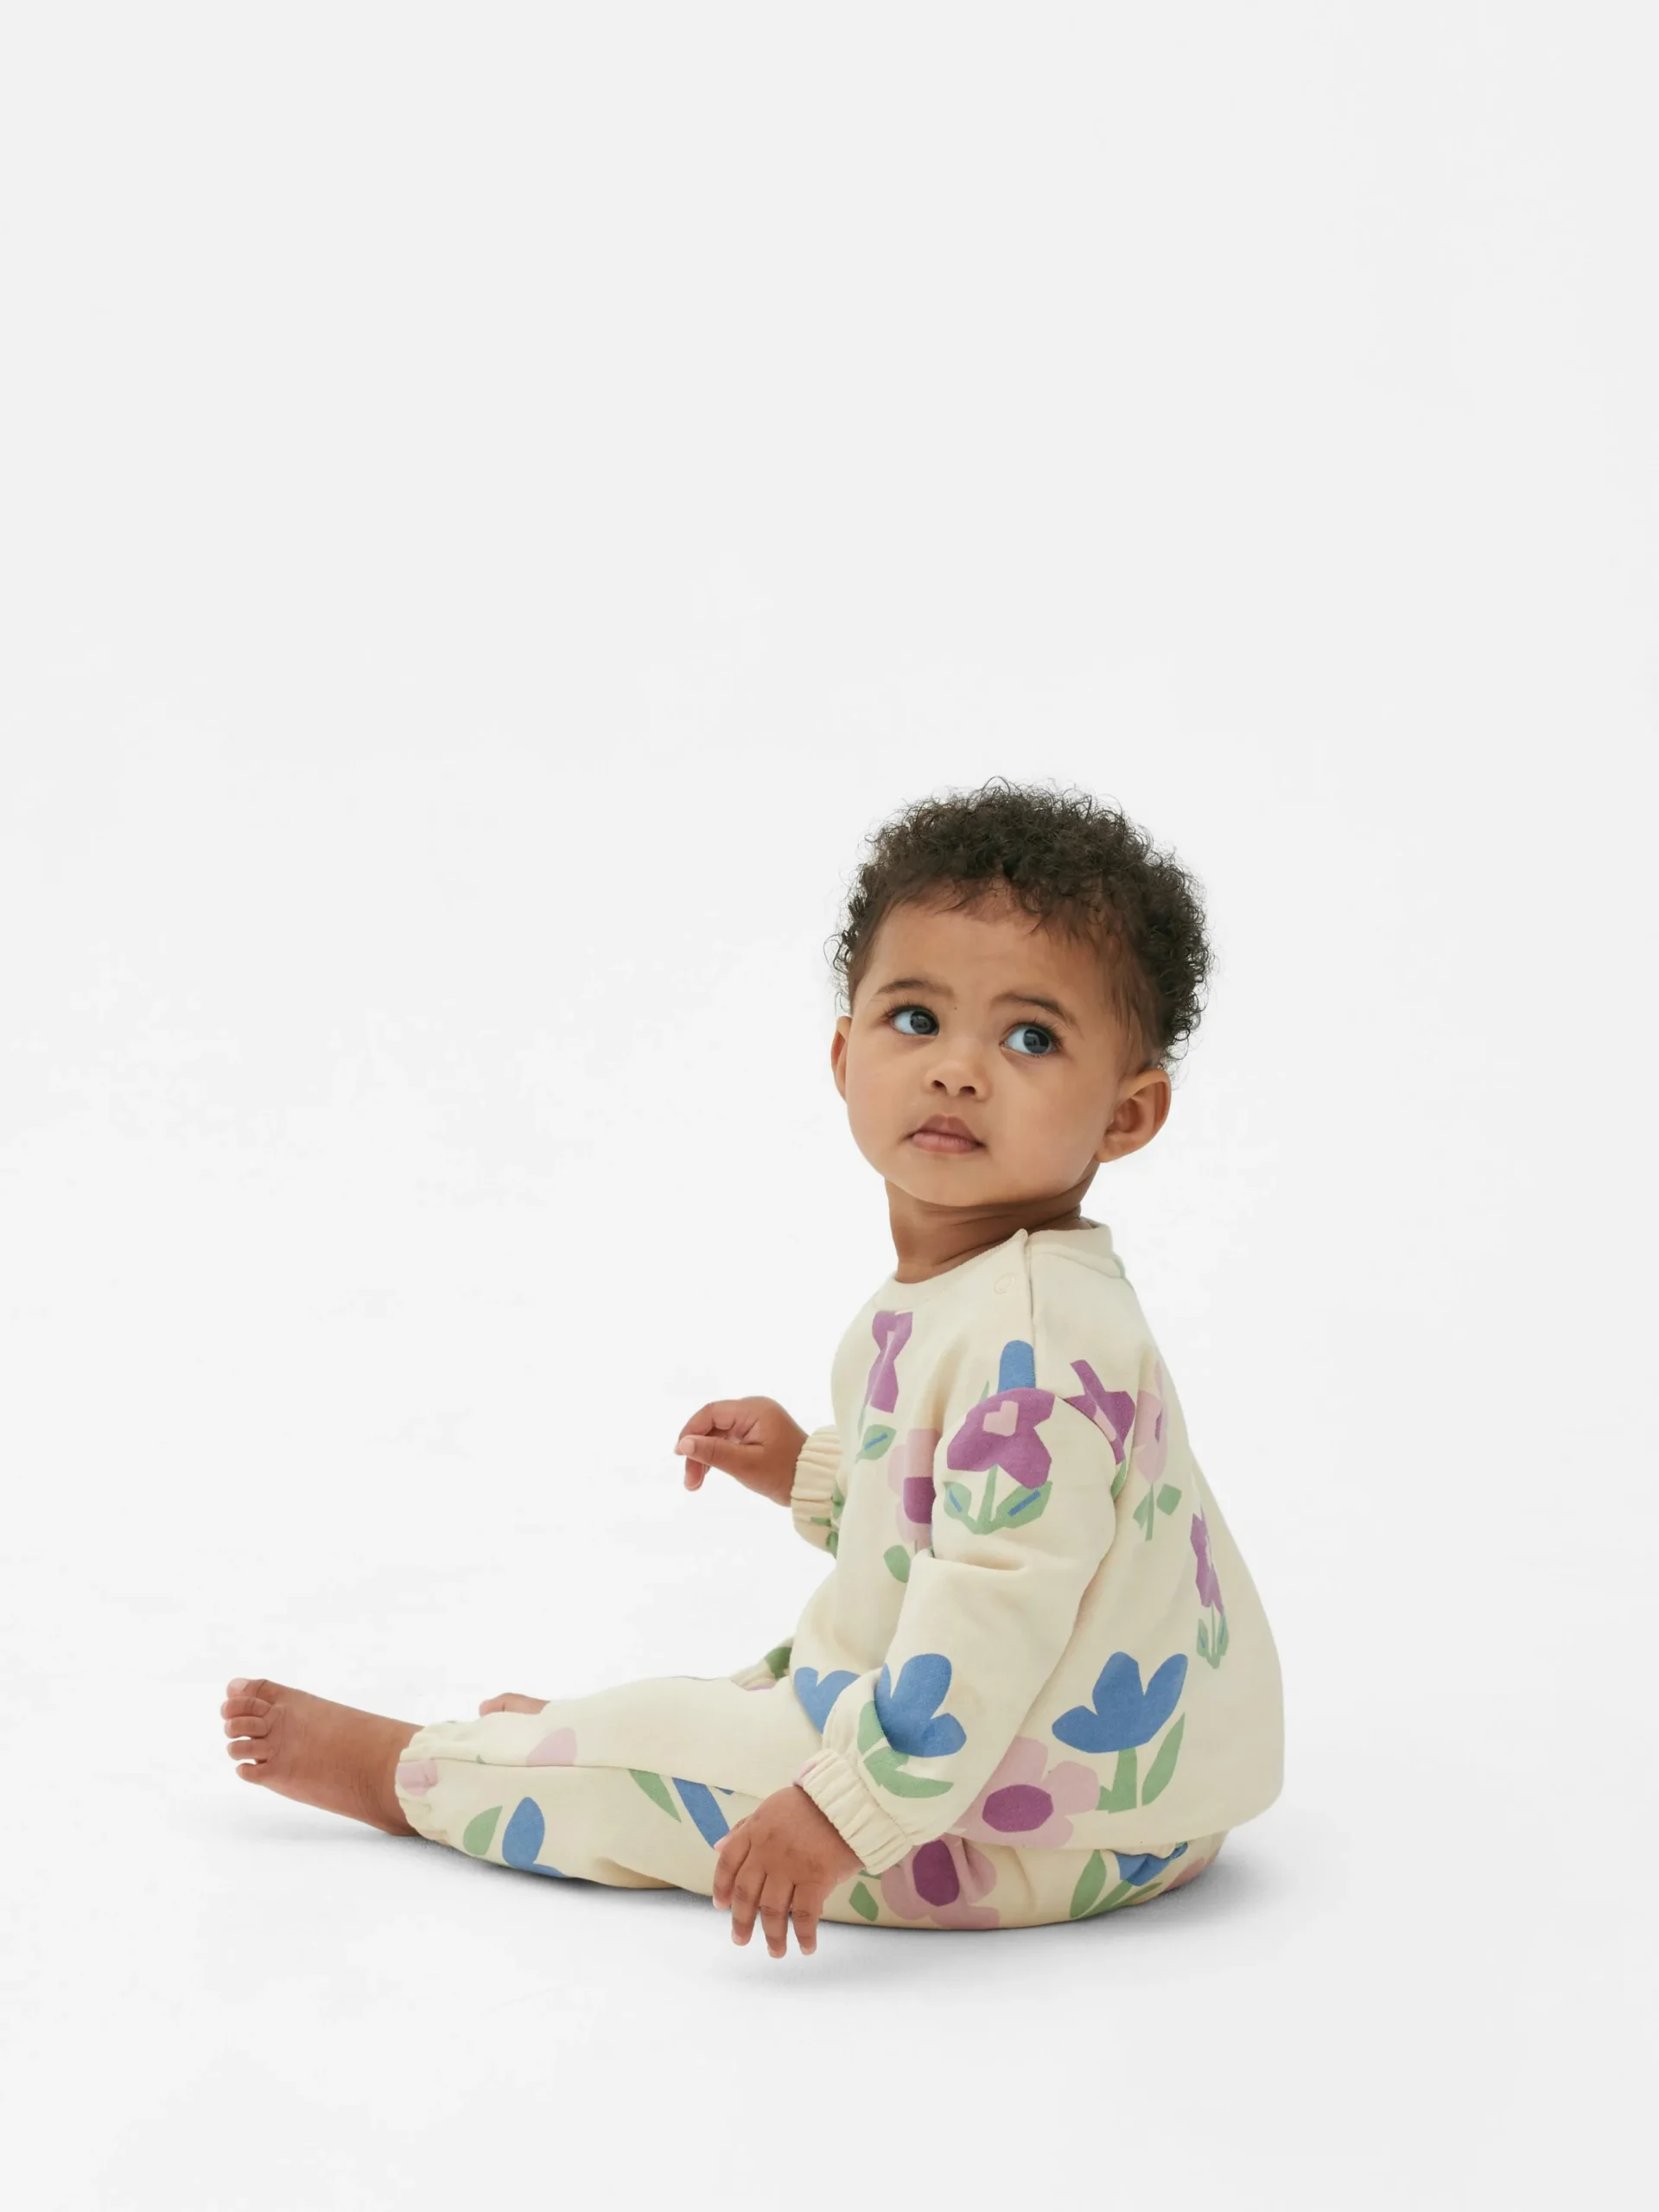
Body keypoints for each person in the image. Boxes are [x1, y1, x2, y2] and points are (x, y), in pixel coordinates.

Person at [219, 776, 1283, 1959]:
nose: (958, 1069)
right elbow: (959, 1515)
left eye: (1031, 1038)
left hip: (1023, 1829)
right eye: (916, 1019)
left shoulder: (1025, 1339)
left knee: (653, 1773)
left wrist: (842, 1814)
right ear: (844, 1051)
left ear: (1128, 1116)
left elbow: (993, 1611)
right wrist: (808, 1474)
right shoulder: (1007, 1291)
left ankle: (417, 1776)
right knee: (739, 1697)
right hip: (1129, 1798)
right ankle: (584, 1743)